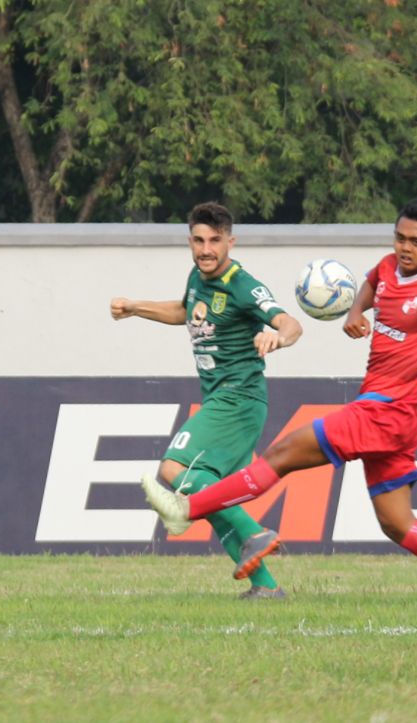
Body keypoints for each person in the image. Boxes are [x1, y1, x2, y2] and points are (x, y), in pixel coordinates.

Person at [141, 197, 417, 584]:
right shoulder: (388, 268)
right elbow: (371, 282)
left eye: (416, 242)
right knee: (396, 523)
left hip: (385, 411)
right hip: (394, 417)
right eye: (399, 238)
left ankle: (187, 511)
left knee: (282, 453)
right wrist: (354, 311)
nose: (405, 248)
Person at [113, 202, 303, 599]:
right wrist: (135, 307)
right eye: (199, 240)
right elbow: (185, 311)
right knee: (214, 497)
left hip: (239, 398)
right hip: (224, 398)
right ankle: (266, 588)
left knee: (172, 469)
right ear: (190, 241)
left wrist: (277, 338)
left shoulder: (242, 284)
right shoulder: (198, 277)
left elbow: (290, 322)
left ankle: (254, 532)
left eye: (215, 240)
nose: (206, 249)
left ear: (230, 242)